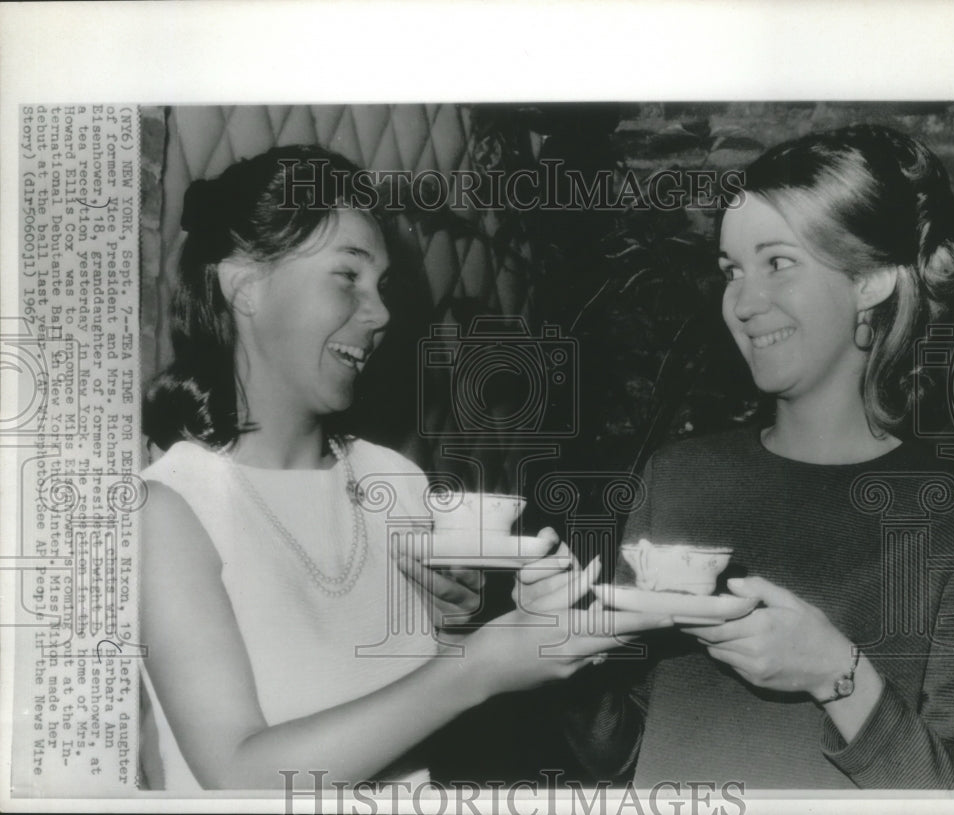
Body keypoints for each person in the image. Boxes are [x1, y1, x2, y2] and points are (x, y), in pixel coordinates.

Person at [138, 145, 626, 790]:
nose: (381, 314)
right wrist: (475, 665)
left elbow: (411, 721)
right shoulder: (166, 509)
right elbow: (237, 776)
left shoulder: (395, 480)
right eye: (348, 276)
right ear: (244, 285)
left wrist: (481, 625)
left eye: (382, 285)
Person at [536, 125, 954, 790]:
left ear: (874, 280)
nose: (742, 301)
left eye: (778, 262)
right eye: (732, 270)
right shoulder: (678, 476)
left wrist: (837, 674)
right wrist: (569, 662)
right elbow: (621, 757)